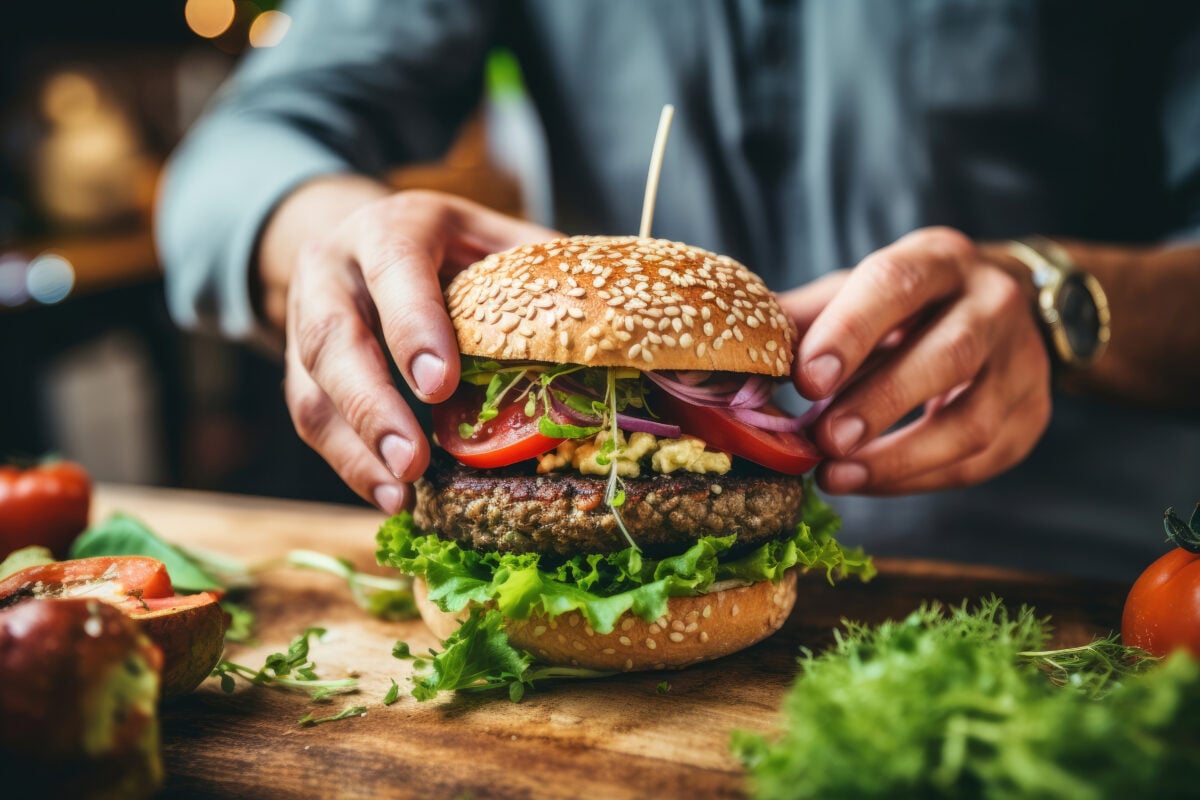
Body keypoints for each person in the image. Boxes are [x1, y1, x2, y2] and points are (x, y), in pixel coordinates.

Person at [157, 1, 1200, 582]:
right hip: (605, 535)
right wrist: (334, 234)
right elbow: (235, 155)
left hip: (1095, 579)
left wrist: (1071, 298)